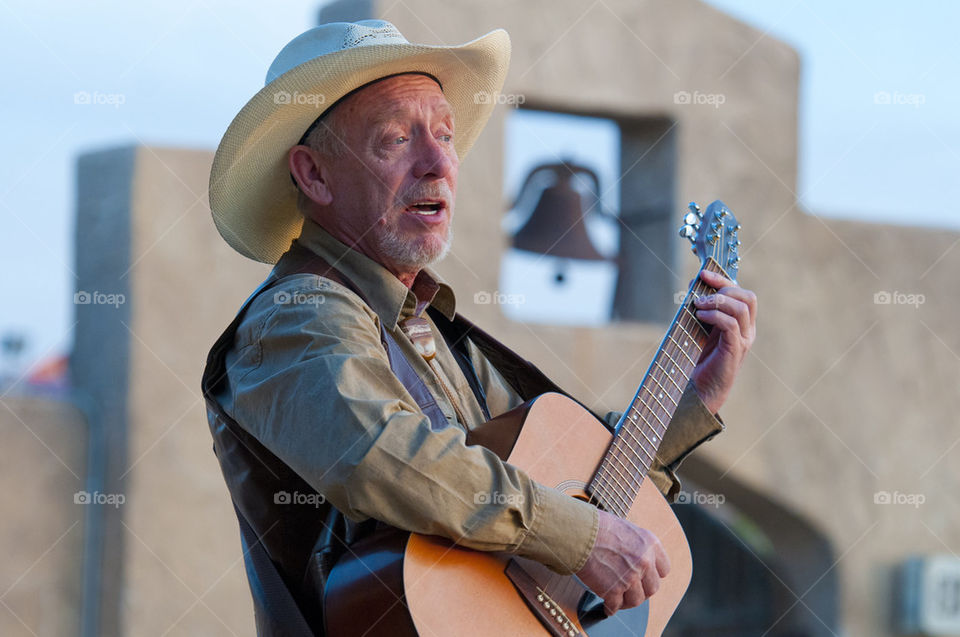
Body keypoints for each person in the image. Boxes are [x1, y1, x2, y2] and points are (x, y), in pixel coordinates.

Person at [203, 19, 757, 635]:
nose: (440, 161)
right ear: (314, 175)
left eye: (445, 135)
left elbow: (572, 488)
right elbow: (383, 457)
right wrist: (583, 537)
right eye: (396, 139)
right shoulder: (299, 313)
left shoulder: (430, 329)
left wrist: (692, 400)